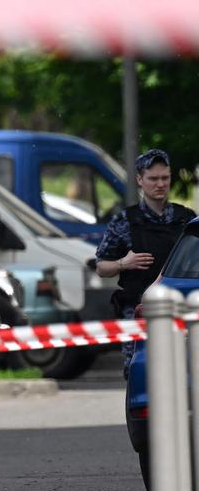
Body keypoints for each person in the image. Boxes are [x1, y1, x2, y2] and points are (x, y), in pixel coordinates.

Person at [95, 149, 196, 369]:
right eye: (153, 179)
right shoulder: (124, 222)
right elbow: (101, 267)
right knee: (140, 370)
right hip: (138, 313)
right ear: (140, 180)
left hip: (181, 309)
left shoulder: (186, 220)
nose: (160, 184)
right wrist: (124, 263)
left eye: (165, 178)